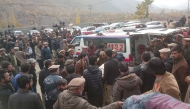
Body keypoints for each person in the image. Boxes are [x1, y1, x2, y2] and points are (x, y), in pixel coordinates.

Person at [53, 78, 123, 109]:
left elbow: (54, 107)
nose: (83, 88)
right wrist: (116, 105)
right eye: (83, 86)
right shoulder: (82, 103)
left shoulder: (62, 94)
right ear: (78, 89)